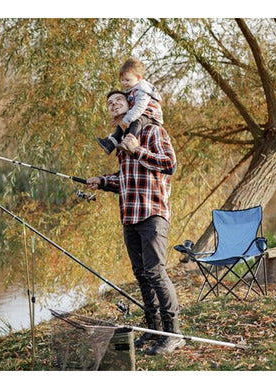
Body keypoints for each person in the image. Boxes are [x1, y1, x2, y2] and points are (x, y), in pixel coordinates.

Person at [87, 90, 184, 355]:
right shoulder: (120, 142)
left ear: (132, 105)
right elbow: (126, 180)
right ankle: (152, 330)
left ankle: (173, 334)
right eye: (108, 102)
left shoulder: (152, 131)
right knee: (141, 275)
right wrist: (103, 181)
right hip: (129, 215)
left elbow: (170, 164)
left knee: (155, 272)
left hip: (152, 213)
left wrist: (138, 149)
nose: (112, 104)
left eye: (118, 100)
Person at [97, 58, 163, 155]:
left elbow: (139, 108)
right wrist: (120, 119)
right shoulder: (132, 88)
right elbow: (129, 107)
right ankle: (111, 143)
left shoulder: (142, 90)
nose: (124, 83)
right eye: (122, 80)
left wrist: (127, 119)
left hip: (151, 116)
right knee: (123, 123)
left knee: (136, 120)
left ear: (138, 78)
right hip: (141, 113)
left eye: (127, 80)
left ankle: (130, 142)